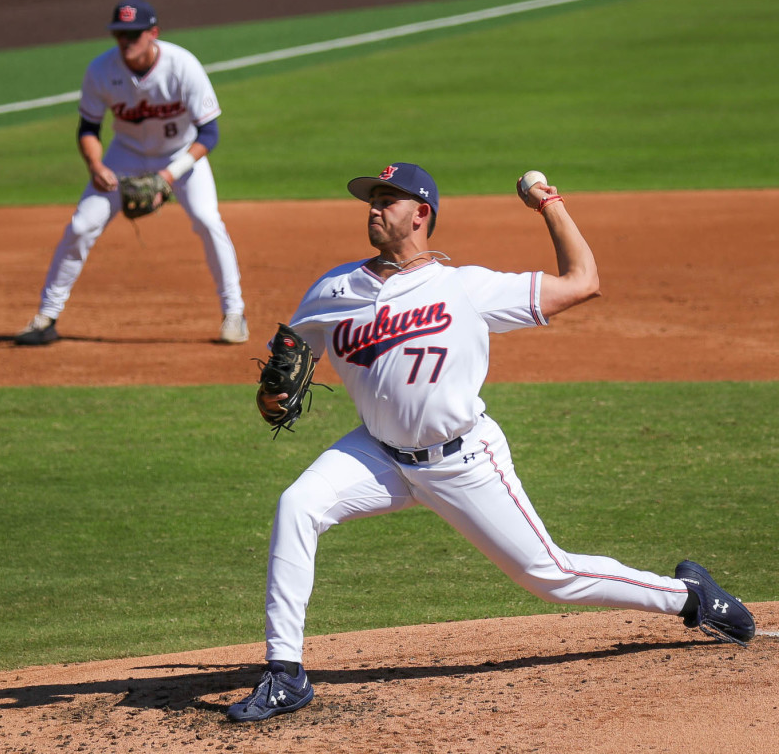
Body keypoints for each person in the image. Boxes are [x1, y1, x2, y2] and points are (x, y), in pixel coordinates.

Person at [226, 162, 756, 722]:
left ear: (421, 213)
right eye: (371, 200)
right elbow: (289, 358)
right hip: (376, 454)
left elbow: (582, 282)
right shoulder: (333, 291)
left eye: (388, 200)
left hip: (463, 461)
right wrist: (270, 399)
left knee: (551, 577)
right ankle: (285, 673)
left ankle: (692, 598)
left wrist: (549, 205)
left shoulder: (465, 288)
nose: (374, 209)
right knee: (297, 505)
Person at [14, 0, 248, 346]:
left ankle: (234, 313)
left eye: (134, 34)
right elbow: (88, 129)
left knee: (207, 220)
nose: (126, 41)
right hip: (124, 156)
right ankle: (47, 316)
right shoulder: (101, 70)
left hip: (181, 157)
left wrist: (167, 177)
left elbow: (209, 134)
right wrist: (96, 165)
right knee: (81, 226)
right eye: (120, 33)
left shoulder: (183, 65)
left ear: (153, 33)